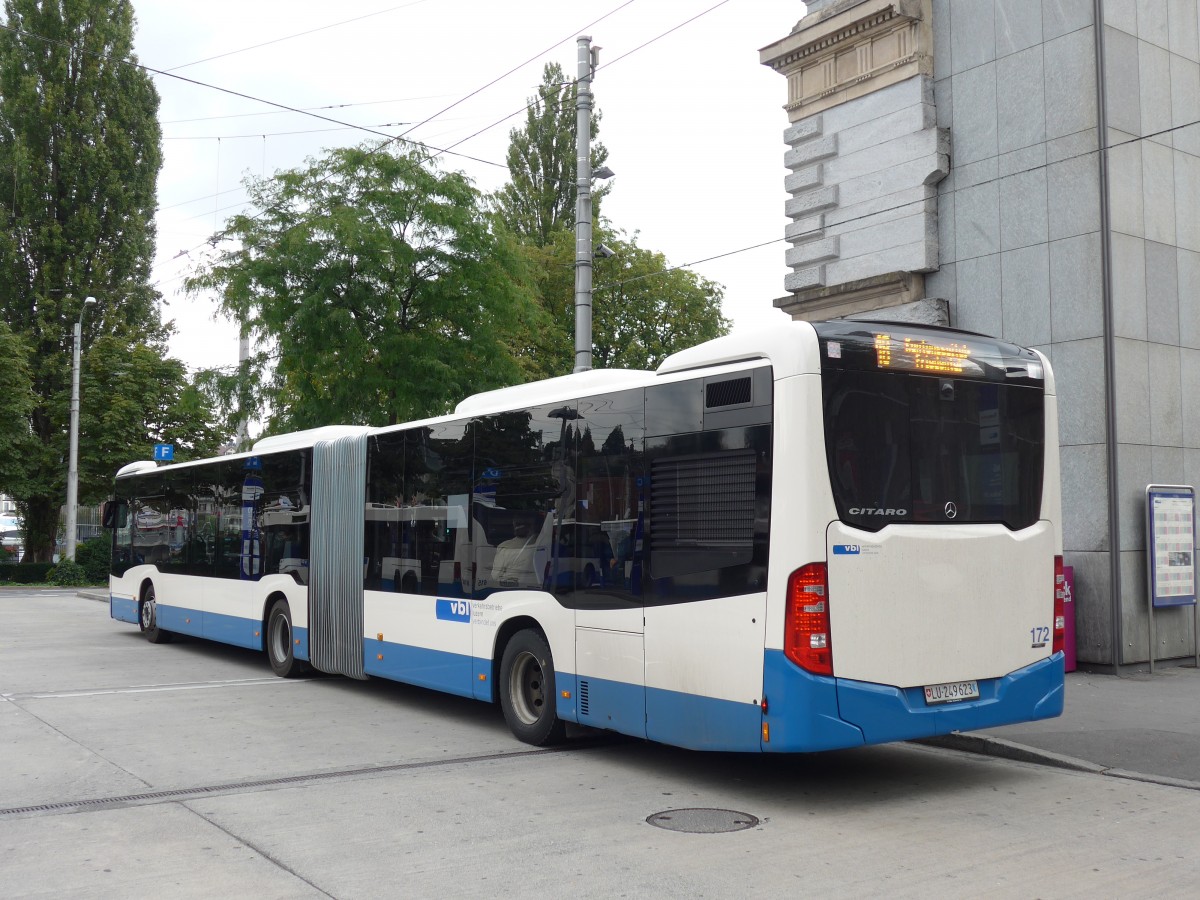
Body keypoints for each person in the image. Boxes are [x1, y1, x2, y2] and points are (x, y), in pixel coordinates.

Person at [491, 518, 539, 589]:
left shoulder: (504, 547)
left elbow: (495, 576)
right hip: (535, 590)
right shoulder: (543, 543)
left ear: (514, 524)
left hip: (508, 590)